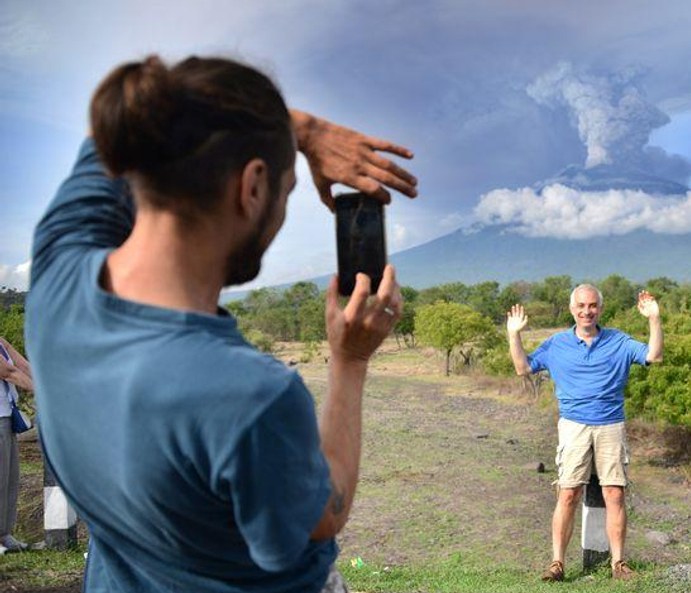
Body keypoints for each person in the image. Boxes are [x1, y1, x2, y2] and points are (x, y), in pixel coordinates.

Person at [25, 55, 417, 592]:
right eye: (286, 193)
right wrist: (349, 361)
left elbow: (116, 135)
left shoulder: (57, 274)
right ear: (252, 185)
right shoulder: (248, 396)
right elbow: (321, 516)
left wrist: (294, 131)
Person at [506, 284, 663, 582]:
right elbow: (522, 367)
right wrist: (514, 333)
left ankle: (618, 564)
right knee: (568, 493)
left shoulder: (619, 341)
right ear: (571, 309)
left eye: (592, 305)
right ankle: (557, 564)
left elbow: (653, 356)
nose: (586, 311)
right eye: (580, 305)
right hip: (573, 426)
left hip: (611, 425)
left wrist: (654, 318)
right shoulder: (557, 344)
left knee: (614, 492)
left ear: (600, 309)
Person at [0, 337, 32, 554]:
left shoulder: (1, 342)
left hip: (6, 416)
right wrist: (49, 394)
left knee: (10, 477)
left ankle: (4, 533)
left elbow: (23, 366)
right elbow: (8, 373)